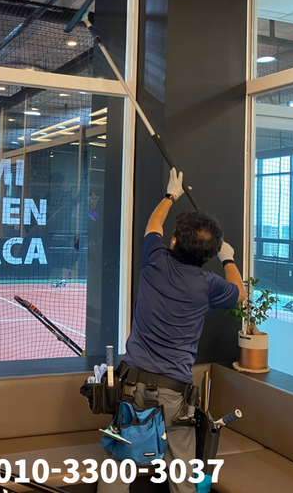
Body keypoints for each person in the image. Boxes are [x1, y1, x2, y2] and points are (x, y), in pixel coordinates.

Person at [99, 168, 246, 493]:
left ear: (174, 241)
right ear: (207, 256)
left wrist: (171, 195)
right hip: (174, 394)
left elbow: (154, 225)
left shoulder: (155, 259)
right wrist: (228, 258)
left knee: (117, 467)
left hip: (131, 386)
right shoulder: (208, 285)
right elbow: (240, 293)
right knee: (182, 477)